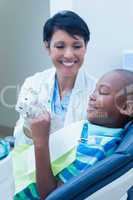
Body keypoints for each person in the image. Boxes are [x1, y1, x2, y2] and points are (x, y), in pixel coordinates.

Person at [28, 69, 133, 199]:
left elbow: (53, 195)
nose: (92, 96)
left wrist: (40, 142)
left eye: (103, 92)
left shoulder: (96, 149)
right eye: (94, 90)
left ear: (126, 108)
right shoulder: (93, 129)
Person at [13, 10, 95, 146]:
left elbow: (95, 141)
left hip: (79, 166)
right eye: (60, 46)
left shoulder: (97, 91)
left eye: (77, 46)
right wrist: (30, 128)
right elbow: (19, 139)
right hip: (36, 163)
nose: (68, 55)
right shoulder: (33, 84)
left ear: (85, 47)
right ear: (47, 47)